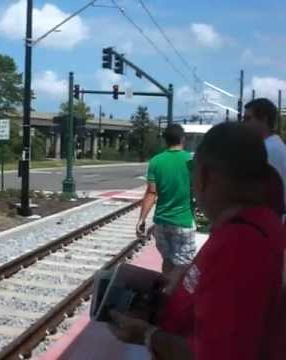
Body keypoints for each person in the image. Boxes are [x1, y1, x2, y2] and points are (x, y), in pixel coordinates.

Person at [109, 122, 286, 360]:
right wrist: (188, 278)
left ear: (203, 176)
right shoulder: (260, 223)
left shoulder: (237, 247)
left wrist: (147, 335)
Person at [137, 124, 195, 274]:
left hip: (161, 223)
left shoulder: (156, 161)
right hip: (183, 221)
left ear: (165, 141)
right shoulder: (190, 160)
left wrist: (141, 219)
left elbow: (151, 193)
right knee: (183, 266)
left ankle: (164, 292)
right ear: (183, 139)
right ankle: (173, 294)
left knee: (167, 261)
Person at [244, 98, 286, 213]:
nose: (244, 124)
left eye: (248, 119)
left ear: (264, 119)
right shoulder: (275, 146)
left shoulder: (268, 150)